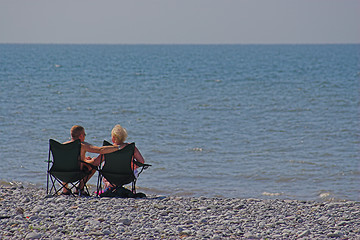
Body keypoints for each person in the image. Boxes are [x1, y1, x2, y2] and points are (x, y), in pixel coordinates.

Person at [62, 125, 122, 195]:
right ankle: (80, 188)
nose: (84, 136)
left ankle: (65, 189)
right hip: (76, 173)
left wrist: (84, 160)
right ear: (81, 136)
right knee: (94, 165)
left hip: (61, 173)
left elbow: (69, 161)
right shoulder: (82, 145)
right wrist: (118, 147)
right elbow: (100, 150)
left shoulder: (63, 145)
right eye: (84, 134)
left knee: (65, 165)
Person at [100, 124, 145, 192]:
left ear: (113, 138)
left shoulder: (108, 149)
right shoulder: (131, 148)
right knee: (132, 167)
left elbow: (97, 162)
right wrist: (134, 166)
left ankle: (110, 185)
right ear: (124, 137)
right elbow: (141, 162)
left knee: (103, 165)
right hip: (128, 176)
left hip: (110, 176)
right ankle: (115, 186)